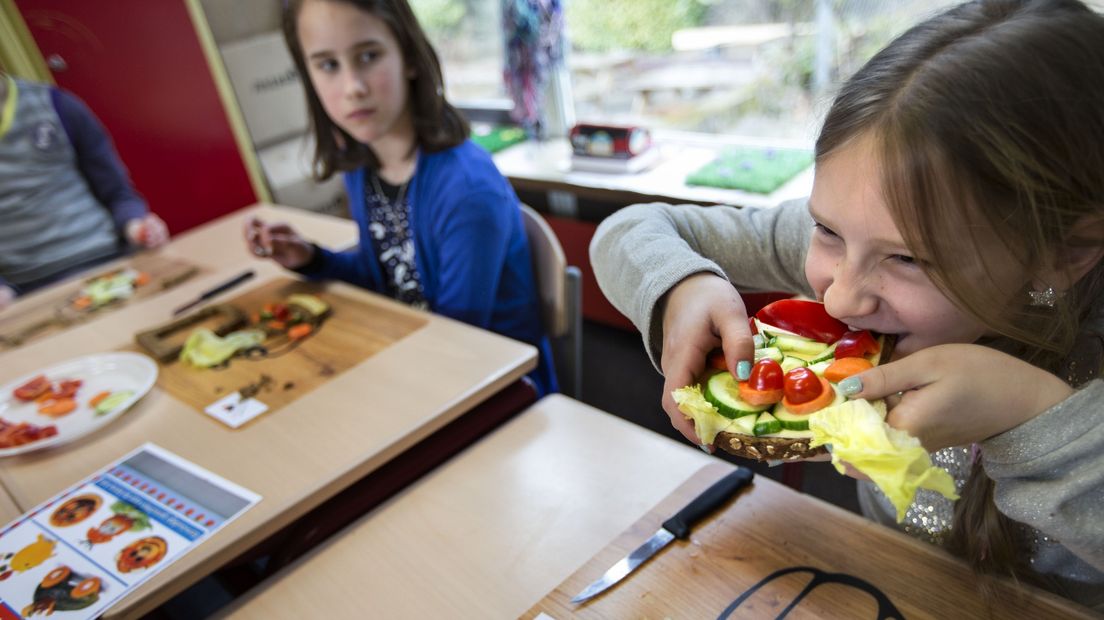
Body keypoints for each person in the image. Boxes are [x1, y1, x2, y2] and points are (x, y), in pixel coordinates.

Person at [590, 0, 1103, 609]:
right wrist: (682, 286)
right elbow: (629, 230)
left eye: (909, 260)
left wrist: (1029, 414)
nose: (838, 294)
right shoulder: (859, 238)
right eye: (825, 229)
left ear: (1065, 254)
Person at [245, 0, 556, 395]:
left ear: (408, 56)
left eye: (369, 56)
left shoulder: (467, 190)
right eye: (328, 65)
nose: (353, 87)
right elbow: (392, 277)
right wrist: (313, 258)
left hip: (497, 390)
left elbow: (457, 341)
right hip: (421, 364)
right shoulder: (363, 166)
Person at [0, 71, 169, 310]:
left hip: (107, 261)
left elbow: (118, 194)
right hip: (25, 291)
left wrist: (137, 226)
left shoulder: (57, 105)